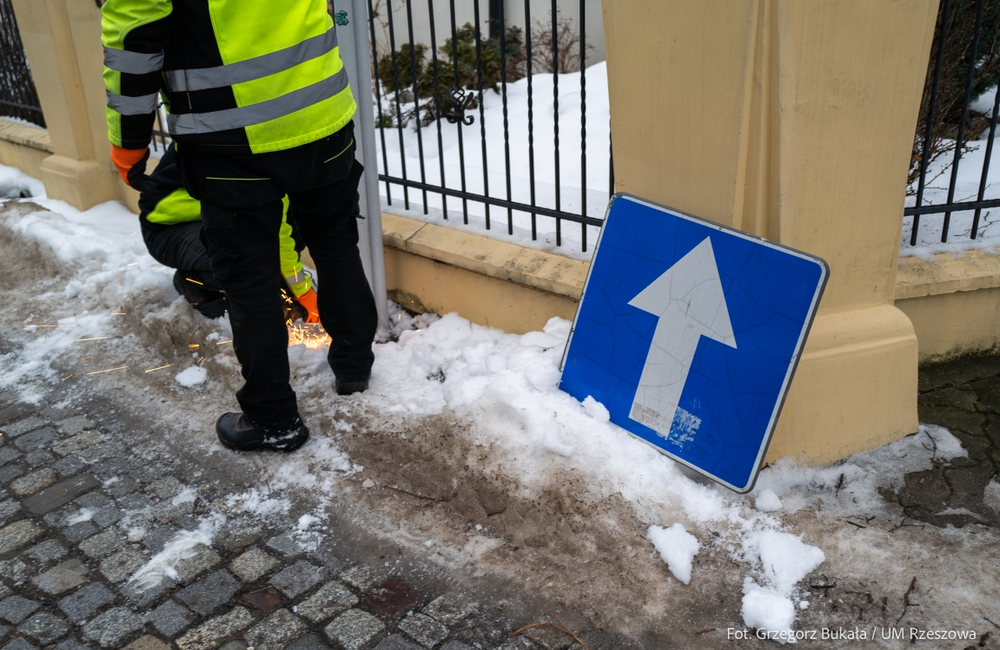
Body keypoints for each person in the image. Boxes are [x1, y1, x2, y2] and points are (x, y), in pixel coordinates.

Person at [102, 0, 378, 453]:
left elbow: (133, 41)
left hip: (229, 136)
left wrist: (129, 142)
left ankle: (273, 420)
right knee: (335, 244)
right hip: (320, 111)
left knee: (249, 280)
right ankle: (353, 367)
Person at [138, 144, 318, 324]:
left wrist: (291, 286)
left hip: (210, 218)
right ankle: (194, 284)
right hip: (166, 229)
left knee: (267, 258)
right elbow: (277, 237)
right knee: (248, 259)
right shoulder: (263, 156)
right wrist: (302, 292)